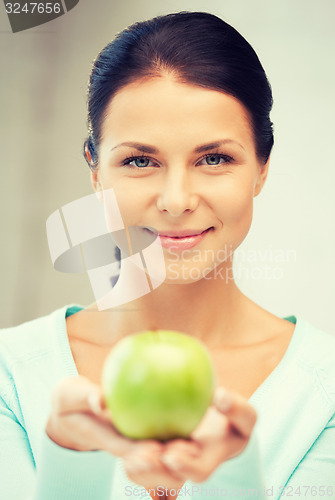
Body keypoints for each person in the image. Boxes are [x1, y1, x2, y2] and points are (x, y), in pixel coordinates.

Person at [1, 11, 335, 500]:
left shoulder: (325, 391)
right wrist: (72, 460)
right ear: (95, 171)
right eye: (140, 160)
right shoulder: (9, 375)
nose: (176, 200)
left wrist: (230, 474)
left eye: (214, 158)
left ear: (262, 167)